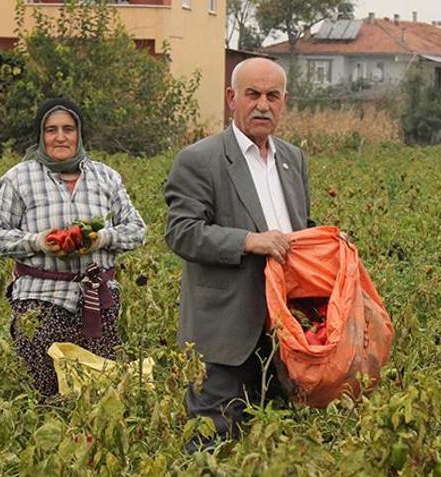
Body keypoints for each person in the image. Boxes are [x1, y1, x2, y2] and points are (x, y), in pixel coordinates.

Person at [164, 58, 315, 453]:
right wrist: (249, 241)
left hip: (283, 332)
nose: (263, 105)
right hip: (225, 333)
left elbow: (300, 227)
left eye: (272, 96)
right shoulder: (200, 159)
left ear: (284, 102)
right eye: (253, 94)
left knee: (274, 445)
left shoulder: (292, 159)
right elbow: (182, 233)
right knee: (212, 446)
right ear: (232, 98)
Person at [0, 97, 146, 397]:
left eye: (68, 129)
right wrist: (38, 242)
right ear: (40, 135)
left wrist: (102, 238)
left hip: (98, 300)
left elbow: (137, 231)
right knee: (47, 390)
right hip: (40, 300)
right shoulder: (18, 179)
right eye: (51, 129)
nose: (60, 137)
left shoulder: (106, 177)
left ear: (79, 133)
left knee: (98, 392)